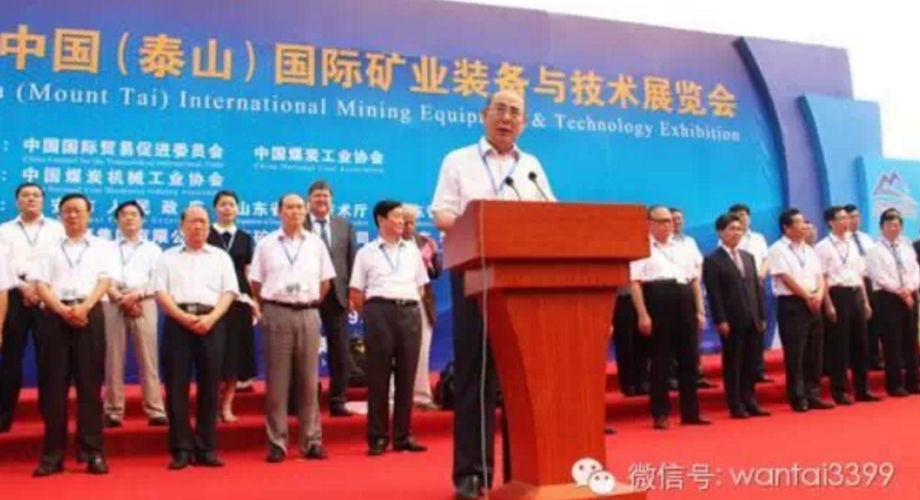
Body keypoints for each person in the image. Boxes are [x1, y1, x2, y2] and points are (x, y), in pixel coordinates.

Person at [431, 89, 555, 499]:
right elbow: (442, 214)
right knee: (476, 374)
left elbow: (549, 213)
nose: (506, 117)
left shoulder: (531, 166)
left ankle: (524, 470)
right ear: (484, 115)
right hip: (475, 273)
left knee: (521, 379)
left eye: (515, 112)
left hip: (522, 279)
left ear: (525, 123)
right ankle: (472, 473)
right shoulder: (458, 159)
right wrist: (482, 228)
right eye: (500, 109)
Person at [30, 193, 111, 476]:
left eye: (78, 211)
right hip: (55, 317)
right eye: (67, 211)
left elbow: (104, 281)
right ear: (60, 215)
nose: (73, 216)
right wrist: (62, 310)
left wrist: (84, 307)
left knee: (90, 387)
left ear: (89, 214)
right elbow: (40, 284)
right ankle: (53, 455)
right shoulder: (47, 247)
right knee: (54, 389)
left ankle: (92, 452)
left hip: (90, 316)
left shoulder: (102, 246)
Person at [250, 193, 334, 463]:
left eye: (299, 207)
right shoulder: (266, 244)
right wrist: (275, 302)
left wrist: (307, 301)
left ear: (306, 211)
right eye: (289, 207)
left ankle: (311, 441)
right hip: (277, 312)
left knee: (309, 381)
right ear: (279, 211)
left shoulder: (316, 244)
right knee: (277, 381)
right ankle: (277, 442)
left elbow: (326, 282)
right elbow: (256, 283)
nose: (295, 212)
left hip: (308, 312)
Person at [156, 206, 238, 470]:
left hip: (211, 322)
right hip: (177, 323)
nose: (198, 227)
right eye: (193, 222)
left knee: (210, 386)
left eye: (203, 222)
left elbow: (229, 292)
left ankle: (207, 448)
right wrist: (183, 317)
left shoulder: (221, 257)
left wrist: (211, 318)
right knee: (176, 387)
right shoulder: (167, 257)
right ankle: (181, 448)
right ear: (182, 226)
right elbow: (161, 294)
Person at [350, 201, 429, 457]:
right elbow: (356, 292)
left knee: (407, 376)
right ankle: (378, 437)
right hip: (379, 312)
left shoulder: (412, 251)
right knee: (378, 377)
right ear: (381, 220)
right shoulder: (366, 252)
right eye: (396, 217)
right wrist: (374, 314)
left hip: (409, 312)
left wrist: (405, 302)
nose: (402, 222)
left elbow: (421, 287)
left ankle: (403, 436)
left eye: (403, 217)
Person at [630, 206, 710, 430]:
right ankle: (661, 414)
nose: (668, 225)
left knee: (689, 359)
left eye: (670, 221)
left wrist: (700, 310)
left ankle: (691, 413)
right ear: (649, 224)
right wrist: (643, 314)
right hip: (658, 298)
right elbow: (634, 282)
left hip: (684, 297)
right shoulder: (642, 246)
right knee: (661, 360)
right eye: (662, 221)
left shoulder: (684, 246)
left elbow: (694, 280)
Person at [0, 183, 65, 432]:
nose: (31, 199)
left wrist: (39, 288)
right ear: (17, 201)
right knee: (10, 358)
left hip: (47, 296)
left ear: (43, 200)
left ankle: (50, 416)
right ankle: (4, 416)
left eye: (36, 195)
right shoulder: (4, 230)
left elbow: (62, 264)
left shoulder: (57, 229)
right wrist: (23, 286)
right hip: (13, 294)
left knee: (49, 358)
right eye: (25, 195)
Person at [103, 200, 168, 428]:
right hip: (113, 301)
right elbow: (101, 277)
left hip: (144, 302)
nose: (129, 218)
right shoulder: (106, 248)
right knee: (113, 359)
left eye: (134, 214)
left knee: (148, 358)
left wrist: (136, 296)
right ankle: (113, 411)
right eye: (124, 214)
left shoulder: (153, 249)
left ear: (142, 220)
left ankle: (155, 410)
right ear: (117, 220)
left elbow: (157, 280)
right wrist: (118, 296)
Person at [702, 213, 769, 418]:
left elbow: (756, 289)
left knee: (750, 362)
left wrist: (761, 315)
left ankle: (750, 400)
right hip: (731, 320)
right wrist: (720, 319)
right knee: (734, 363)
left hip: (752, 318)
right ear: (720, 232)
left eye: (739, 229)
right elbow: (714, 294)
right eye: (732, 229)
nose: (736, 233)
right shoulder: (713, 260)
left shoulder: (748, 257)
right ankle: (735, 403)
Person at [767, 208, 832, 412]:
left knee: (814, 350)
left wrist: (819, 294)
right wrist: (806, 296)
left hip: (814, 302)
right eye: (799, 222)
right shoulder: (777, 249)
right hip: (792, 304)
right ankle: (798, 396)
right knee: (796, 352)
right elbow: (785, 277)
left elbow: (819, 275)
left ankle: (813, 394)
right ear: (787, 228)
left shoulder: (809, 250)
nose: (804, 226)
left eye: (804, 222)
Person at [304, 180, 358, 417]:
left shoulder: (344, 225)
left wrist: (353, 293)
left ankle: (338, 399)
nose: (321, 200)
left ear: (332, 200)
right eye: (317, 196)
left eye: (325, 196)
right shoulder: (299, 224)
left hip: (337, 296)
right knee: (304, 350)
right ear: (309, 200)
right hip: (307, 295)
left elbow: (352, 260)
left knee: (339, 350)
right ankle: (304, 399)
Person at [815, 207, 879, 404]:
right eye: (841, 218)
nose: (847, 222)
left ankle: (862, 389)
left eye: (847, 218)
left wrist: (865, 302)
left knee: (861, 343)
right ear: (831, 222)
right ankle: (840, 390)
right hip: (837, 294)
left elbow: (859, 275)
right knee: (839, 344)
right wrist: (828, 304)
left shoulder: (853, 244)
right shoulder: (823, 247)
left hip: (856, 293)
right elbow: (822, 277)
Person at [207, 191, 258, 424]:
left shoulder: (245, 238)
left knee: (235, 356)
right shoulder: (206, 234)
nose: (227, 208)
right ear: (215, 208)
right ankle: (211, 405)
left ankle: (227, 405)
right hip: (212, 301)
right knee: (214, 354)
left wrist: (254, 302)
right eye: (223, 204)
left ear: (238, 209)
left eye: (231, 204)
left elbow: (248, 272)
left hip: (239, 302)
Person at [866, 208, 920, 397]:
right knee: (892, 341)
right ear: (882, 227)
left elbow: (915, 271)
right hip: (887, 297)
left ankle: (913, 382)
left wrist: (909, 288)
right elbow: (878, 276)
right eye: (889, 225)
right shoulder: (875, 250)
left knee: (910, 339)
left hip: (909, 295)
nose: (894, 228)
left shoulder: (906, 247)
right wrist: (899, 290)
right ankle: (895, 384)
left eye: (897, 225)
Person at [401, 204, 441, 411]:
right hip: (398, 301)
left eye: (412, 223)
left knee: (422, 350)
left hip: (423, 302)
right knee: (398, 352)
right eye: (405, 223)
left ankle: (422, 396)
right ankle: (396, 396)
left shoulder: (424, 242)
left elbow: (436, 274)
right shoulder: (390, 243)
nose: (409, 227)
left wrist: (432, 258)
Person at [728, 203, 772, 383]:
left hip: (756, 285)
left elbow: (767, 258)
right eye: (737, 216)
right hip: (737, 289)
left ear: (749, 217)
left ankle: (758, 369)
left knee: (758, 326)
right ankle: (742, 371)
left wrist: (761, 274)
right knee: (742, 328)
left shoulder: (758, 238)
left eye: (744, 215)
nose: (741, 219)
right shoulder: (728, 238)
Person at [845, 204, 882, 371]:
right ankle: (856, 361)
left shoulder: (867, 238)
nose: (855, 220)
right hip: (853, 283)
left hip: (871, 281)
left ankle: (874, 358)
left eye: (857, 217)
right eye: (851, 217)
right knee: (857, 324)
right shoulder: (843, 241)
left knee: (874, 321)